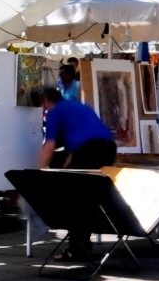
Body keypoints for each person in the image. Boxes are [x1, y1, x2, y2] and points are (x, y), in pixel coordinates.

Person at [36, 85, 118, 260]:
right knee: (90, 196)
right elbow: (77, 147)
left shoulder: (54, 112)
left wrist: (39, 174)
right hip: (107, 149)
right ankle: (85, 240)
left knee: (76, 200)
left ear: (46, 101)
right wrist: (65, 169)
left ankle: (78, 248)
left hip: (90, 150)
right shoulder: (80, 106)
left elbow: (49, 146)